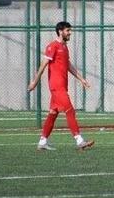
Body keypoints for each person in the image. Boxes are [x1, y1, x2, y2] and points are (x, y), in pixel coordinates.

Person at [27, 21, 95, 151]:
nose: (70, 33)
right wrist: (34, 82)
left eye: (70, 30)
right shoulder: (52, 46)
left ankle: (42, 142)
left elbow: (68, 66)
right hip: (56, 86)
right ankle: (79, 141)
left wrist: (82, 79)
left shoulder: (64, 47)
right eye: (67, 30)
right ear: (60, 31)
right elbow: (43, 65)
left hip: (62, 85)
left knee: (53, 113)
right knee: (70, 110)